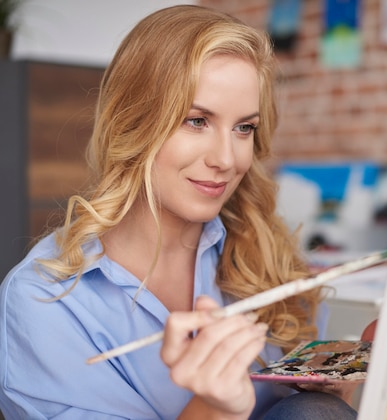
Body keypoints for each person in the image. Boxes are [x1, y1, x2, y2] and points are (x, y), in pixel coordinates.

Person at [0, 5, 357, 419]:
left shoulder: (264, 257)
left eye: (244, 128)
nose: (226, 158)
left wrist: (335, 389)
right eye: (196, 121)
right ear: (132, 121)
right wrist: (214, 407)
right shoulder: (45, 303)